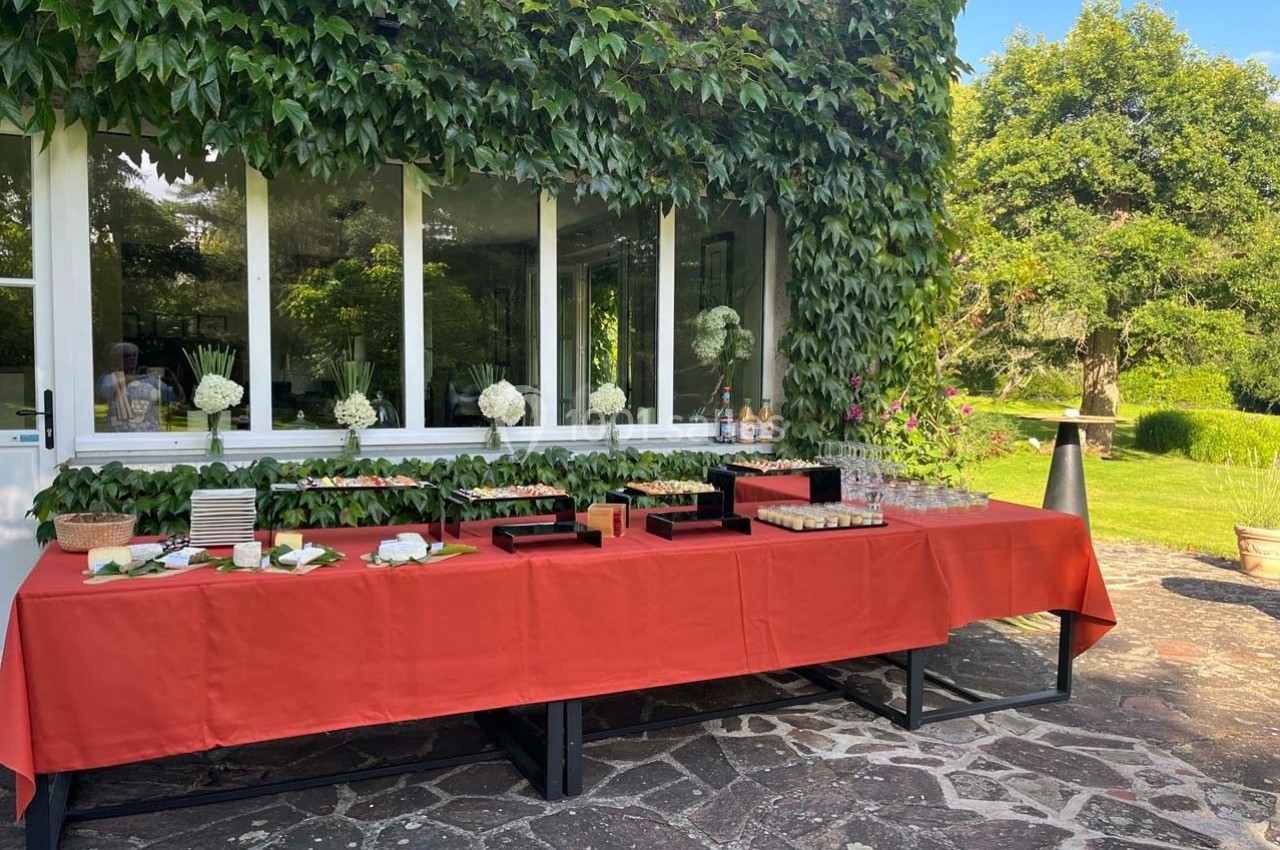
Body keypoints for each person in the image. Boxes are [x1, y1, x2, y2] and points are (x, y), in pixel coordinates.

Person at [97, 342, 186, 432]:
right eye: (127, 356)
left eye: (134, 355)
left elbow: (179, 397)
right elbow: (104, 393)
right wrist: (135, 377)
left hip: (150, 435)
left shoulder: (150, 380)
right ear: (115, 359)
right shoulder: (109, 379)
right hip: (120, 437)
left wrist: (171, 376)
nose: (132, 358)